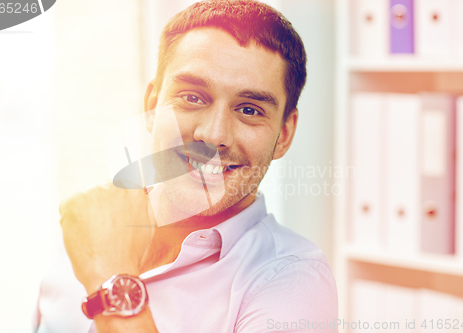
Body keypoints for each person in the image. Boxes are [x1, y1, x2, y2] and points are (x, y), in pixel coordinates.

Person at [35, 1, 338, 332]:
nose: (213, 134)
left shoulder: (294, 280)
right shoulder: (90, 225)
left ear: (284, 134)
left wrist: (113, 283)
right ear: (153, 106)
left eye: (249, 110)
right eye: (193, 97)